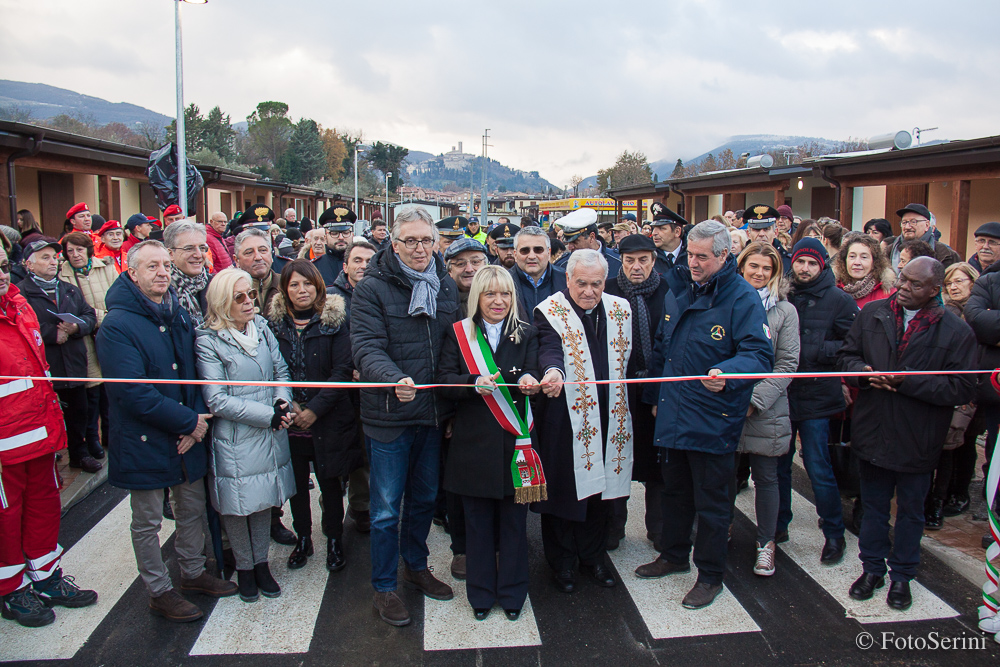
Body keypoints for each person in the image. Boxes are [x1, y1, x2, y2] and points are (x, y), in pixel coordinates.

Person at [636, 221, 773, 610]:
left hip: (714, 416)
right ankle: (674, 555)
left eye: (702, 257)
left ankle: (710, 575)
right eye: (690, 254)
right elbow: (662, 350)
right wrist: (654, 397)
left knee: (713, 503)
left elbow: (759, 354)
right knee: (674, 492)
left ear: (724, 256)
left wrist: (729, 373)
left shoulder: (742, 298)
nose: (692, 263)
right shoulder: (679, 287)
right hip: (674, 412)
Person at [97, 240, 237, 622]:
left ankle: (192, 573)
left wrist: (197, 421)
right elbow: (131, 392)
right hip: (145, 437)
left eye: (164, 265)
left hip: (187, 431)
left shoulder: (176, 311)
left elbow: (194, 371)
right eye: (151, 267)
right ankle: (158, 590)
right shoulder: (117, 324)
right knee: (148, 521)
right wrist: (187, 421)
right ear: (132, 273)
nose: (161, 273)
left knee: (190, 509)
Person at [838, 257, 976, 610]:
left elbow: (961, 388)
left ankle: (902, 576)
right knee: (872, 507)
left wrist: (907, 382)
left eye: (915, 285)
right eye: (902, 280)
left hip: (919, 436)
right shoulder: (873, 314)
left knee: (912, 511)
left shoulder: (956, 331)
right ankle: (872, 569)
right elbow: (847, 356)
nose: (903, 289)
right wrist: (862, 373)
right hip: (873, 428)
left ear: (935, 290)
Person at [350, 205, 460, 627]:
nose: (419, 248)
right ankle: (383, 587)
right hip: (390, 414)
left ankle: (415, 567)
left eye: (426, 240)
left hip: (431, 414)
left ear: (436, 243)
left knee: (424, 500)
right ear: (393, 244)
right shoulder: (372, 288)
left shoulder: (445, 284)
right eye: (410, 241)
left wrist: (452, 399)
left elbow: (451, 347)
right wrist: (393, 377)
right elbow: (365, 346)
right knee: (384, 509)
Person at [0, 246, 99, 628]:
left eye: (2, 266)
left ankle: (45, 576)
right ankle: (10, 589)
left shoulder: (18, 306)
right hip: (5, 443)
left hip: (38, 433)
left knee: (43, 507)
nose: (1, 276)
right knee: (7, 517)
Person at [437, 266, 541, 621]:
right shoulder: (458, 334)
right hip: (473, 447)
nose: (499, 301)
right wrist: (471, 382)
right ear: (476, 297)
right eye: (490, 294)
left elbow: (534, 369)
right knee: (477, 527)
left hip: (517, 445)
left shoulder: (527, 332)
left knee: (514, 526)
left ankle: (513, 595)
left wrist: (530, 378)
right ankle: (480, 595)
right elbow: (444, 379)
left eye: (505, 294)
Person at [533, 249, 633, 594]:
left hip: (609, 415)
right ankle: (561, 563)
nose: (589, 291)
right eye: (582, 284)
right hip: (565, 417)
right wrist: (553, 371)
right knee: (564, 492)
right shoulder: (551, 311)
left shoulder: (620, 310)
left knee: (601, 494)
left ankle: (593, 557)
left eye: (596, 283)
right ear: (568, 280)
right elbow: (549, 348)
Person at [195, 267, 296, 603]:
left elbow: (280, 369)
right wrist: (268, 415)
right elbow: (217, 398)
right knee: (238, 506)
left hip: (270, 429)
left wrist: (282, 402)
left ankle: (262, 563)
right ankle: (245, 567)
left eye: (251, 294)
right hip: (237, 435)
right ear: (223, 302)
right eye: (239, 297)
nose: (249, 302)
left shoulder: (262, 328)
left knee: (264, 498)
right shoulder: (209, 340)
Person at [267, 259, 361, 571]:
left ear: (318, 286)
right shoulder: (274, 325)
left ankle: (334, 539)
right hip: (289, 419)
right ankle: (303, 538)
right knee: (296, 484)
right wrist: (292, 405)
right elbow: (271, 370)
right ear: (284, 289)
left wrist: (315, 410)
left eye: (307, 283)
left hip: (328, 418)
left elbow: (342, 372)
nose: (301, 290)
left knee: (330, 483)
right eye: (294, 284)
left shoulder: (333, 321)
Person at [779, 238, 858, 562]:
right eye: (801, 262)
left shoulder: (839, 299)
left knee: (818, 466)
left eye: (812, 263)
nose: (806, 268)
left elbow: (851, 342)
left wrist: (816, 352)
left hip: (817, 395)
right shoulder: (783, 294)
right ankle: (778, 523)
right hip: (784, 394)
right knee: (778, 466)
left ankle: (834, 533)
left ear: (822, 265)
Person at [734, 242, 800, 576]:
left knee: (766, 478)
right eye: (753, 266)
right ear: (741, 266)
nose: (759, 273)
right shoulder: (727, 300)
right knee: (723, 476)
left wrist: (755, 400)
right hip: (728, 402)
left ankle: (765, 544)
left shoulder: (784, 311)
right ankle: (720, 532)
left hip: (767, 407)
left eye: (767, 268)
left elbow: (787, 363)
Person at [603, 234, 670, 551]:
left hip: (656, 389)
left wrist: (659, 391)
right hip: (619, 390)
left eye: (643, 260)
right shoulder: (607, 292)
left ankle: (658, 528)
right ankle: (614, 527)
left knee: (658, 464)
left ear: (653, 261)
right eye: (630, 260)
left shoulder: (669, 292)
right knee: (618, 458)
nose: (636, 266)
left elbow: (672, 347)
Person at [19, 239, 100, 473]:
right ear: (29, 265)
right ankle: (51, 455)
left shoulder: (69, 289)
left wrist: (77, 328)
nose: (53, 262)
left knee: (79, 412)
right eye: (45, 258)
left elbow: (89, 315)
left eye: (54, 257)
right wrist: (50, 333)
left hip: (74, 365)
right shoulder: (21, 293)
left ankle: (78, 453)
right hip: (45, 366)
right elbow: (20, 326)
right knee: (46, 414)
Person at [924, 262, 981, 528]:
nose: (954, 287)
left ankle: (942, 498)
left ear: (973, 282)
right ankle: (929, 498)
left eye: (960, 281)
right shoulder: (940, 312)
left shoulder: (978, 314)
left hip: (966, 389)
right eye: (950, 283)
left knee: (954, 448)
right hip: (937, 387)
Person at [328, 240, 377, 535]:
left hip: (369, 388)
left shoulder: (382, 294)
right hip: (338, 389)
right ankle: (330, 510)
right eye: (357, 260)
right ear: (345, 266)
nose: (363, 266)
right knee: (335, 453)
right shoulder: (330, 297)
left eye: (369, 261)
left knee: (364, 453)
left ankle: (362, 506)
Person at [59, 232, 118, 461]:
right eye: (70, 251)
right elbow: (72, 311)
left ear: (88, 251)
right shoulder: (61, 275)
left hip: (108, 333)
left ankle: (110, 435)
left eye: (79, 250)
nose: (75, 255)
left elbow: (117, 300)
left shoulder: (106, 268)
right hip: (82, 339)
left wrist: (102, 319)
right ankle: (92, 437)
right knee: (91, 392)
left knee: (110, 389)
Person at [510, 225, 567, 317]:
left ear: (548, 253)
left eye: (538, 250)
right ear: (515, 255)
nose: (532, 256)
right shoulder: (503, 282)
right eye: (525, 250)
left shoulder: (566, 280)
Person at [164, 220, 211, 328]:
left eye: (202, 248)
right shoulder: (162, 291)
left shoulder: (216, 285)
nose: (198, 255)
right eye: (189, 249)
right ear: (171, 254)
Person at [888, 203, 961, 269]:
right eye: (904, 222)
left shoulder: (946, 255)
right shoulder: (889, 252)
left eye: (913, 222)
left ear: (927, 225)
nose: (907, 227)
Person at [834, 233, 896, 308]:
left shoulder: (888, 293)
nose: (857, 262)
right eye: (852, 256)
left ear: (874, 262)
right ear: (845, 260)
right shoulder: (833, 288)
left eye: (864, 257)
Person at [554, 208, 622, 276]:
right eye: (568, 242)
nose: (570, 247)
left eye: (575, 242)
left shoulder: (618, 262)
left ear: (592, 237)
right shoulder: (562, 265)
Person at [233, 228, 280, 318]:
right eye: (249, 252)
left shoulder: (287, 285)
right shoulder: (229, 291)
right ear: (236, 260)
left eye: (263, 250)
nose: (258, 257)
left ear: (271, 255)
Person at [445, 238, 489, 315]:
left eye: (475, 262)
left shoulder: (499, 295)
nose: (469, 269)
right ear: (450, 271)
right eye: (461, 264)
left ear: (485, 265)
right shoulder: (440, 299)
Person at [744, 205, 792, 273]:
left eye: (766, 229)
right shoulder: (739, 260)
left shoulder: (788, 262)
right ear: (748, 234)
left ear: (775, 232)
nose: (761, 234)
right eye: (756, 230)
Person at [648, 202, 687, 274]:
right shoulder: (648, 254)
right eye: (654, 228)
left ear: (677, 231)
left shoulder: (692, 254)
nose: (654, 233)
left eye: (661, 228)